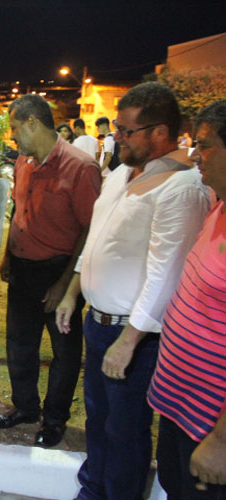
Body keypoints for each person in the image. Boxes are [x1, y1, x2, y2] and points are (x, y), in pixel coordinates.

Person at [55, 82, 212, 500]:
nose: (115, 137)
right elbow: (95, 237)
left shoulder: (182, 187)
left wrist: (129, 341)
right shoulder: (121, 172)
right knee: (97, 419)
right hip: (99, 323)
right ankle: (93, 490)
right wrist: (74, 290)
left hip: (135, 336)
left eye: (126, 131)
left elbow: (167, 272)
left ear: (159, 133)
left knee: (124, 430)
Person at [0, 94, 101, 448]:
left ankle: (54, 421)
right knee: (19, 344)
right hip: (22, 269)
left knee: (64, 353)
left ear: (33, 123)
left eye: (14, 129)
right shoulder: (24, 162)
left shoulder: (80, 167)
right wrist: (9, 257)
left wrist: (66, 285)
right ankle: (25, 408)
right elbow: (19, 214)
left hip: (58, 272)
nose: (12, 137)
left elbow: (89, 230)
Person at [147, 99, 226, 499]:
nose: (194, 154)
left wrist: (222, 442)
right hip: (184, 409)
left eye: (206, 144)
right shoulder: (219, 206)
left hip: (213, 431)